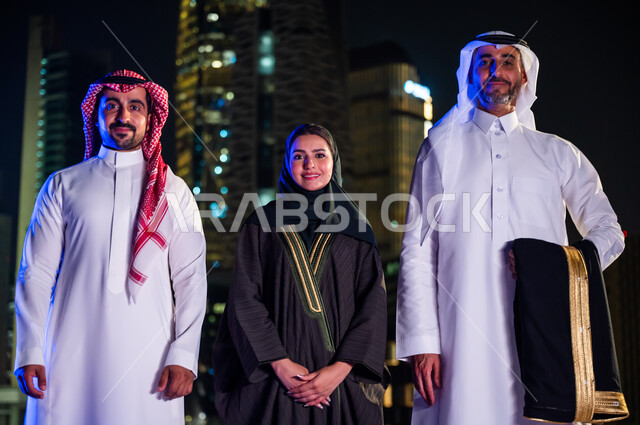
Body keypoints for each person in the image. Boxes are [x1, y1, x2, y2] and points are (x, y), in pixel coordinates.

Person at [395, 31, 625, 424]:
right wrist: (422, 341)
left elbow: (609, 231)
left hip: (545, 333)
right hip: (458, 337)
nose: (494, 70)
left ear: (523, 77)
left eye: (506, 61)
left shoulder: (557, 152)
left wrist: (558, 267)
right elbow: (418, 249)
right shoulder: (439, 148)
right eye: (484, 61)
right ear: (470, 75)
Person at [14, 70, 207, 425]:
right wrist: (29, 350)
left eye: (135, 106)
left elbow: (192, 279)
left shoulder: (174, 191)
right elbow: (36, 272)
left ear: (150, 119)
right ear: (95, 114)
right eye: (112, 106)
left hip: (151, 359)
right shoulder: (63, 184)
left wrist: (183, 354)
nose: (124, 116)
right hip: (67, 351)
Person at [213, 123, 388, 425]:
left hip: (340, 386)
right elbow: (245, 298)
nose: (310, 165)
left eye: (320, 155)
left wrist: (339, 370)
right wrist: (280, 365)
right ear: (286, 162)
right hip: (275, 385)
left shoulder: (358, 228)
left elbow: (372, 306)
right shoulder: (262, 223)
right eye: (299, 156)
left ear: (334, 162)